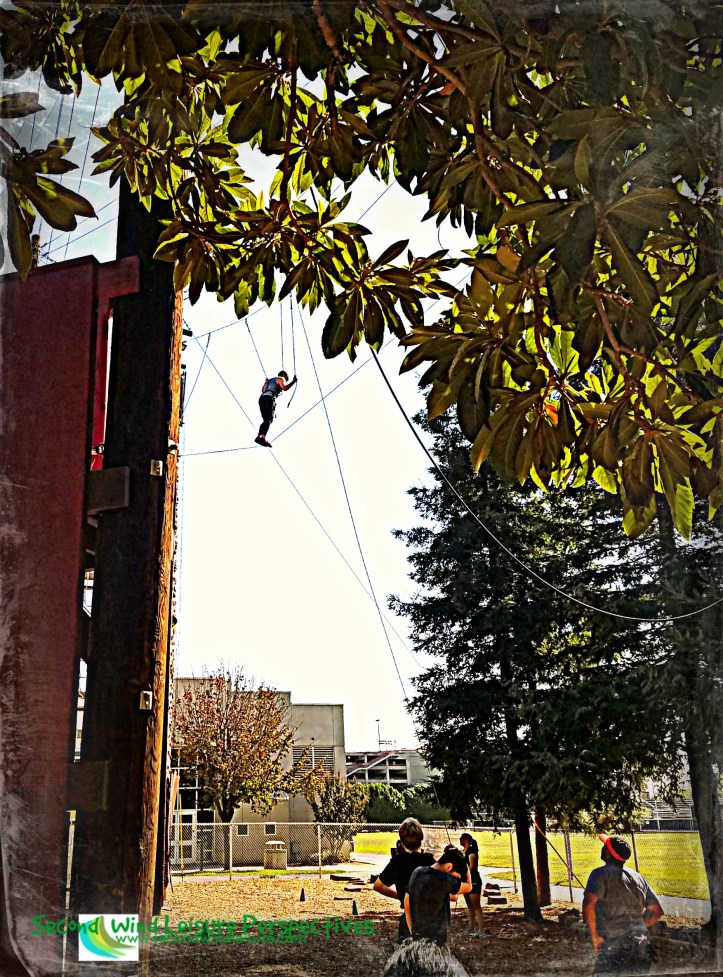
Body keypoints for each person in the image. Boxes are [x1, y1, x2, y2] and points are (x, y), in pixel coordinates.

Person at [383, 845, 472, 977]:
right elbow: (468, 887)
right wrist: (466, 867)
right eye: (456, 876)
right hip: (436, 948)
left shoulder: (417, 872)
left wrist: (413, 930)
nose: (456, 879)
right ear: (448, 867)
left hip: (417, 943)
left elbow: (407, 903)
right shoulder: (444, 879)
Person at [582, 833, 664, 975]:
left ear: (608, 853)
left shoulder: (599, 874)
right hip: (642, 945)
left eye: (604, 846)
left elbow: (588, 905)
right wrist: (639, 926)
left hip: (614, 945)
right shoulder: (638, 877)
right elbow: (657, 911)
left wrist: (595, 937)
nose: (602, 848)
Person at [373, 818, 435, 942]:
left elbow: (378, 886)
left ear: (401, 841)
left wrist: (399, 896)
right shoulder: (430, 862)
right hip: (430, 921)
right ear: (421, 837)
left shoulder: (397, 862)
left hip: (406, 922)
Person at [255, 370, 296, 447]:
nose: (286, 379)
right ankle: (262, 438)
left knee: (266, 420)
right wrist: (293, 381)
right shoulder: (280, 379)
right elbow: (284, 388)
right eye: (286, 377)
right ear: (284, 375)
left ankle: (259, 436)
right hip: (269, 398)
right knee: (268, 420)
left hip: (262, 398)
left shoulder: (269, 380)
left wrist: (266, 383)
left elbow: (263, 390)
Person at [459, 832, 484, 934]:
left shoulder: (472, 852)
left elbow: (472, 867)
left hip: (474, 881)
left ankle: (481, 930)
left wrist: (465, 875)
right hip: (466, 882)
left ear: (466, 840)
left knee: (476, 906)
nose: (460, 840)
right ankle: (471, 928)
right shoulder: (465, 852)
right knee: (470, 906)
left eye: (461, 838)